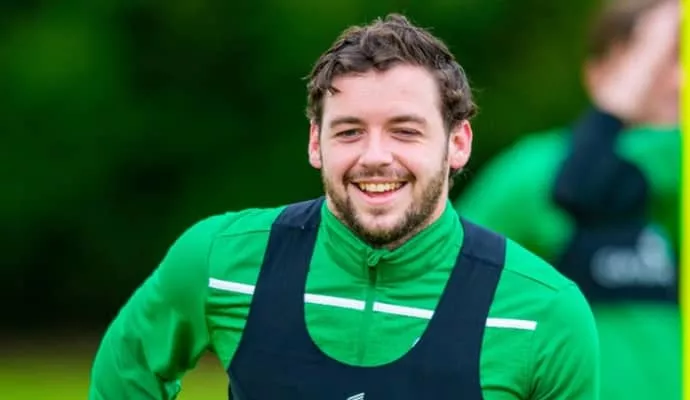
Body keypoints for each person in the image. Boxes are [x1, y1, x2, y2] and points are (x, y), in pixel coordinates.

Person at [88, 14, 599, 399]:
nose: (375, 156)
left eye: (405, 131)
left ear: (458, 143)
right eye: (350, 131)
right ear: (316, 143)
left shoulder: (545, 313)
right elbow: (127, 372)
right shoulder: (221, 262)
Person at [454, 0, 680, 398]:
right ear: (598, 75)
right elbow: (447, 271)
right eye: (655, 60)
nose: (676, 80)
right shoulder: (536, 170)